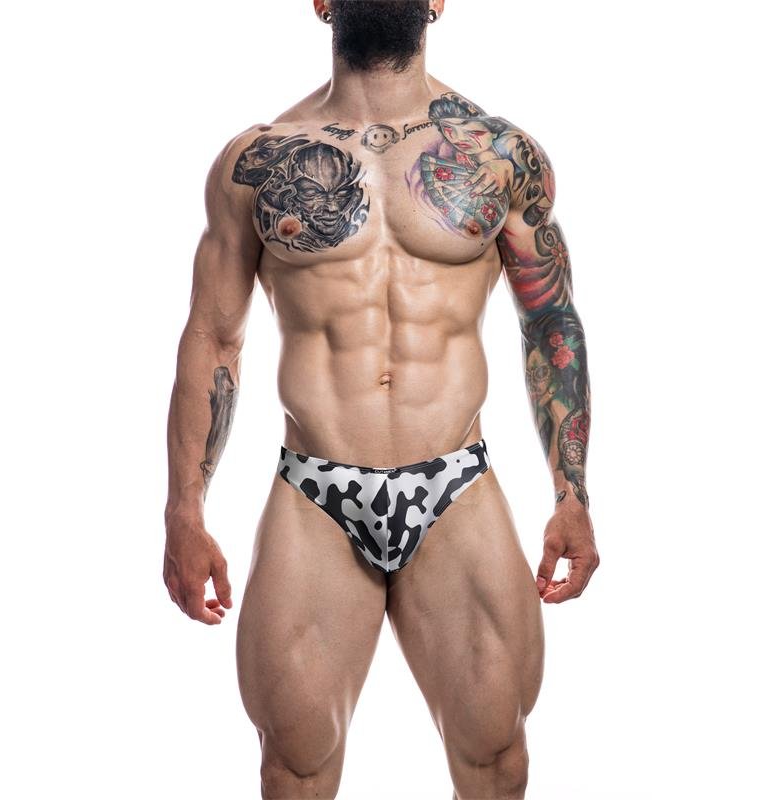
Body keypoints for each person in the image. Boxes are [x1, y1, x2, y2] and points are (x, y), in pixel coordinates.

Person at [163, 1, 600, 797]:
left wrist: (572, 493)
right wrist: (184, 513)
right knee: (295, 764)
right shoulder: (256, 162)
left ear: (439, 1)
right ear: (320, 2)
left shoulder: (502, 156)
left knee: (495, 754)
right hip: (316, 493)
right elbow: (214, 338)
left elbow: (549, 321)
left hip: (455, 484)